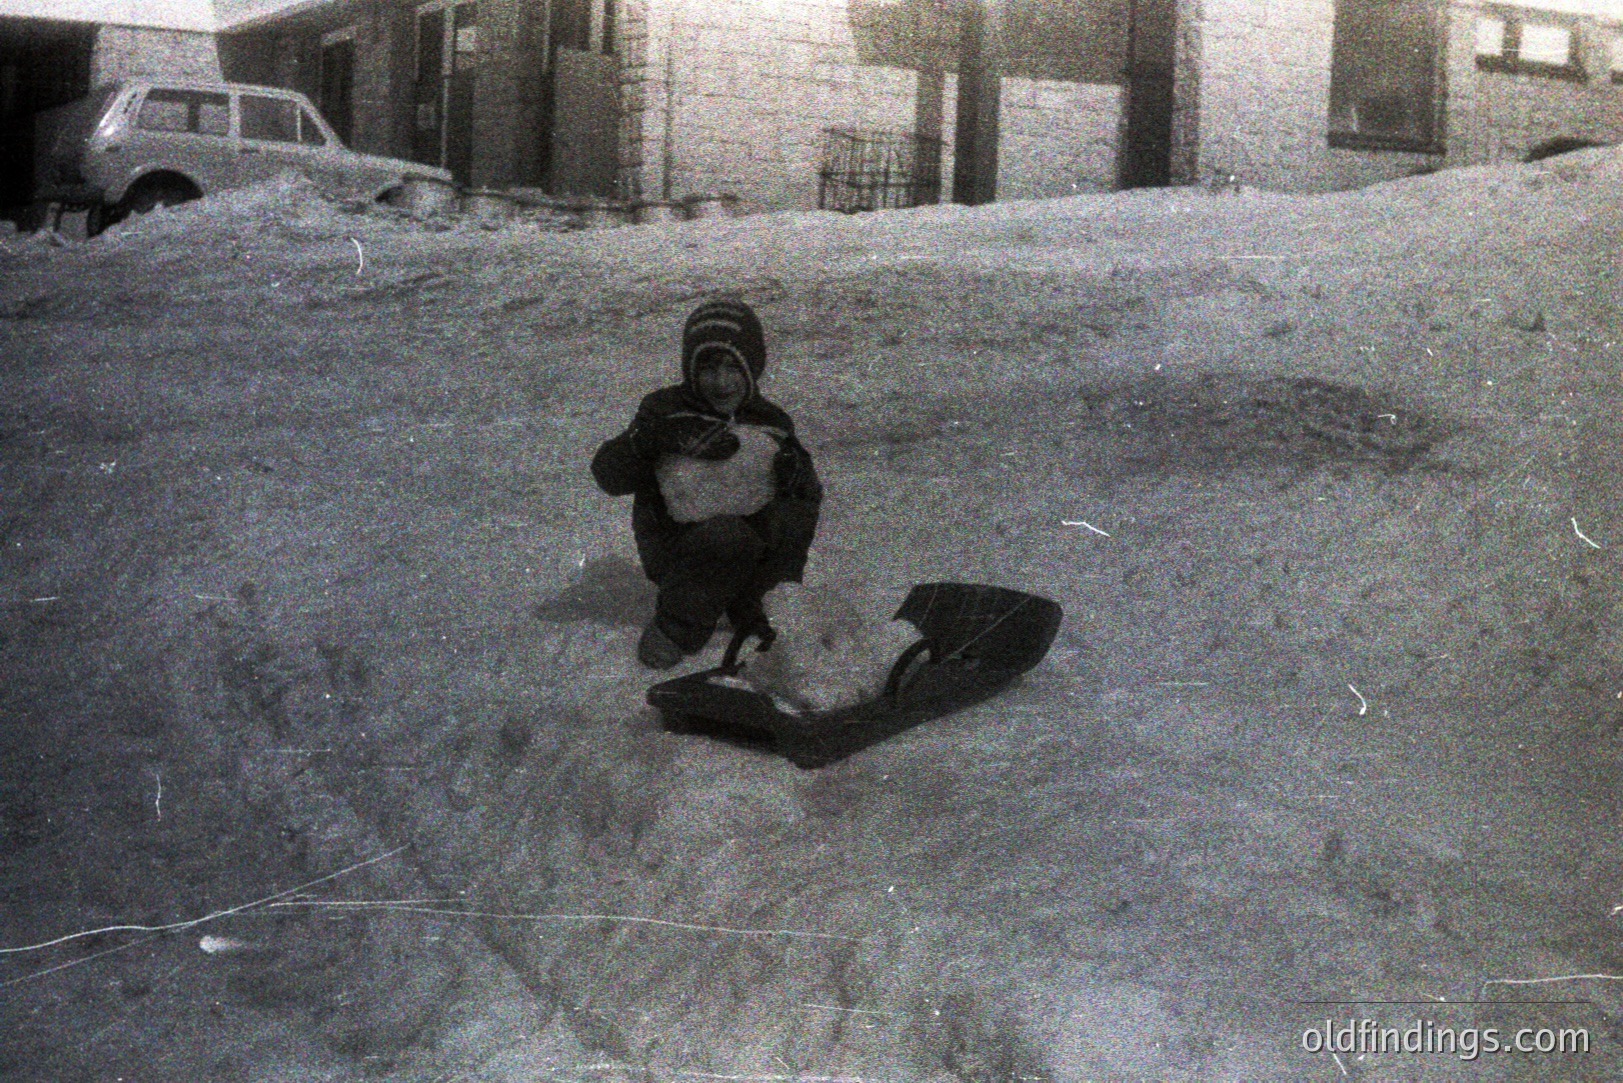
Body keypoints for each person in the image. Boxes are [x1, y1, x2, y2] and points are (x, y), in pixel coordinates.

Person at [591, 299, 823, 669]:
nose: (721, 382)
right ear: (690, 368)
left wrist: (796, 471)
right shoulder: (664, 410)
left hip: (751, 543)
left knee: (795, 509)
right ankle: (675, 627)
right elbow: (608, 475)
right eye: (708, 368)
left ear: (753, 366)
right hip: (678, 547)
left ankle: (761, 604)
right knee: (728, 537)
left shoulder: (769, 420)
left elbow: (803, 493)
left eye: (733, 366)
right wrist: (652, 440)